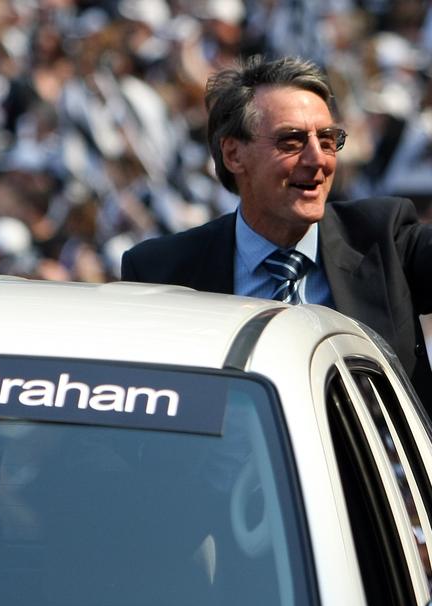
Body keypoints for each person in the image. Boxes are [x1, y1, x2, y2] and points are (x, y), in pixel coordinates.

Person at [121, 56, 432, 410]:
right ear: (234, 154)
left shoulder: (384, 238)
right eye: (292, 141)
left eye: (328, 139)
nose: (318, 159)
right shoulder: (160, 274)